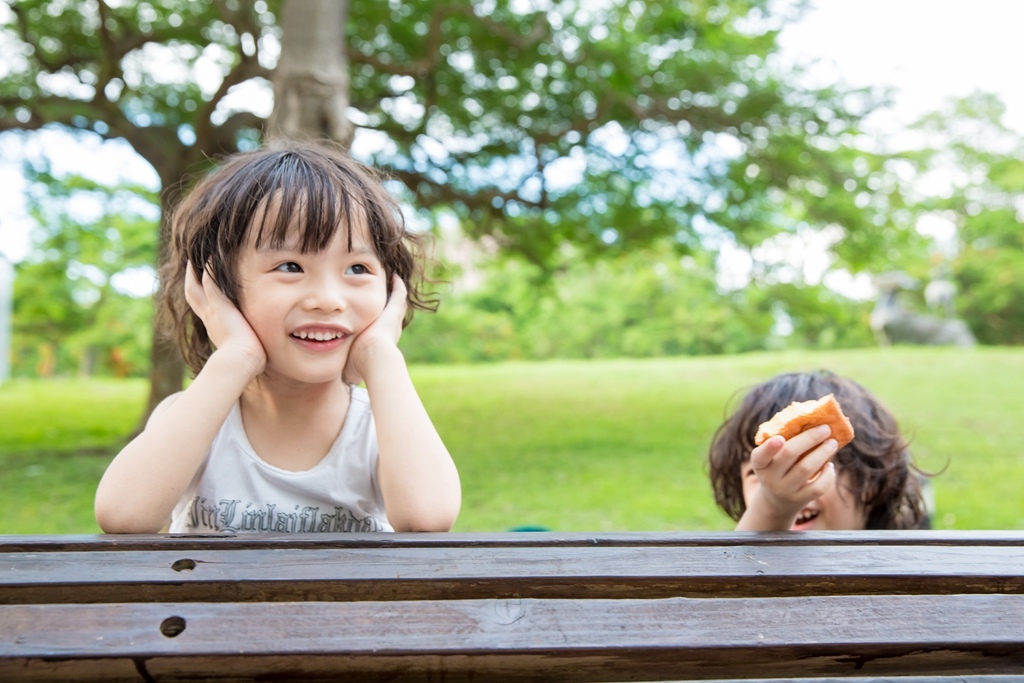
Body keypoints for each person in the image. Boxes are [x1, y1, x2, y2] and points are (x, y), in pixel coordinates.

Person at [95, 142, 461, 534]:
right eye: (290, 266)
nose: (328, 300)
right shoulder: (194, 417)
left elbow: (428, 518)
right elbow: (124, 516)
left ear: (390, 289)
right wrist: (236, 356)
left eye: (357, 267)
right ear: (214, 286)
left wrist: (381, 355)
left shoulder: (380, 426)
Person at [708, 370, 930, 531]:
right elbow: (738, 578)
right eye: (755, 473)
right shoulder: (740, 564)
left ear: (873, 480)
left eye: (812, 461)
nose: (783, 484)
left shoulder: (901, 571)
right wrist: (772, 506)